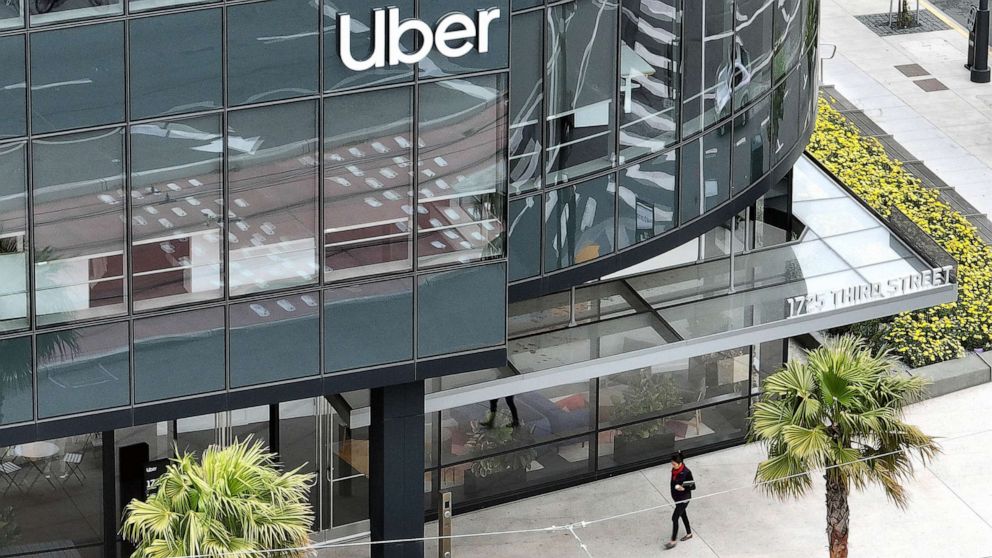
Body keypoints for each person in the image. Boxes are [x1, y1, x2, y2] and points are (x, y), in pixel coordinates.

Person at [665, 451, 694, 550]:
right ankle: (689, 533)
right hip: (677, 498)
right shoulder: (674, 470)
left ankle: (673, 540)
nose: (672, 465)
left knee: (674, 518)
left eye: (674, 464)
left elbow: (693, 486)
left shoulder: (686, 472)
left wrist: (683, 488)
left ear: (680, 463)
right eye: (672, 463)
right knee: (683, 515)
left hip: (684, 498)